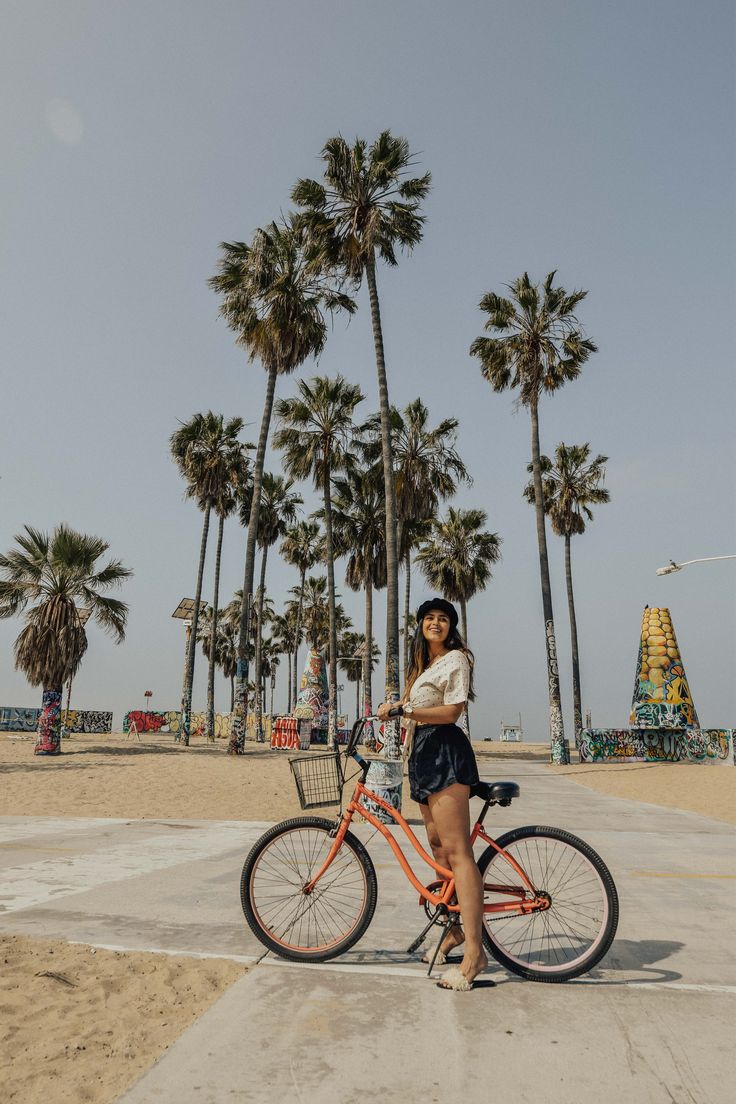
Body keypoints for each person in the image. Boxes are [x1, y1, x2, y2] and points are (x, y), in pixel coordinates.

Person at [377, 597, 487, 992]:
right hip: (421, 755)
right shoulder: (423, 667)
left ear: (450, 626)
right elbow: (414, 714)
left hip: (444, 751)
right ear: (420, 626)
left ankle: (475, 954)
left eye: (443, 618)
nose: (435, 623)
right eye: (429, 618)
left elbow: (453, 711)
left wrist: (403, 711)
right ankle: (454, 932)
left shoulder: (456, 659)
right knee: (439, 851)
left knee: (458, 854)